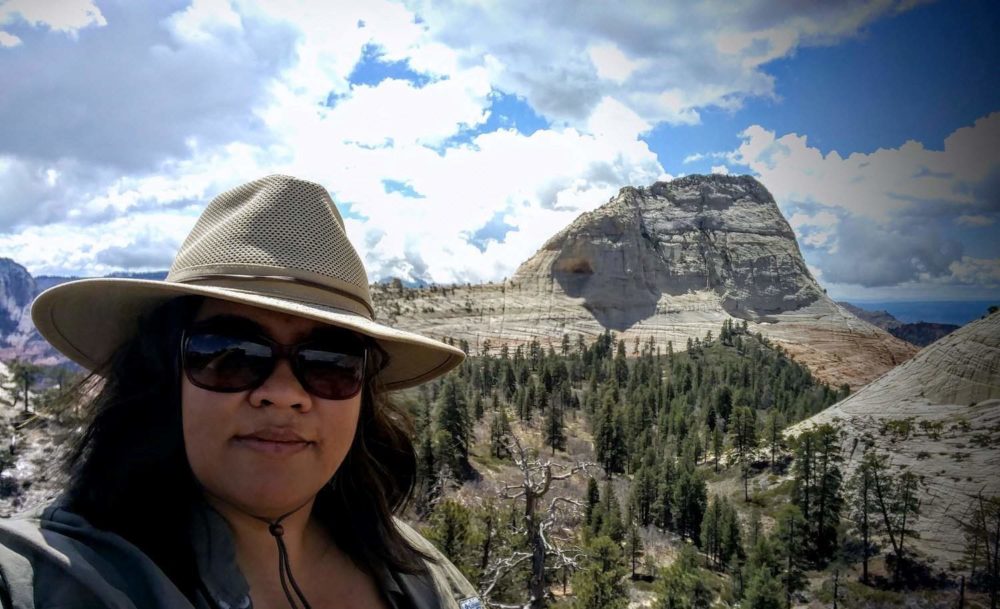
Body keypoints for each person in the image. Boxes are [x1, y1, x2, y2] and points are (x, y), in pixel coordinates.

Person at [0, 175, 483, 609]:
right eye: (232, 354)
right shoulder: (49, 580)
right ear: (164, 377)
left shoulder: (418, 571)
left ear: (362, 398)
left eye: (330, 364)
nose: (283, 394)